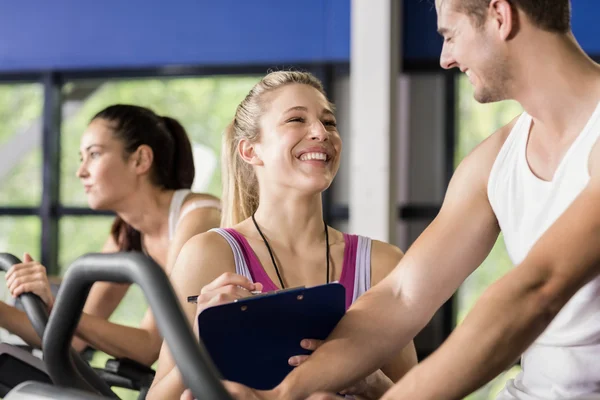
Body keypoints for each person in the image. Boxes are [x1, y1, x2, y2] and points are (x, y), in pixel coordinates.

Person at [224, 1, 600, 399]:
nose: (445, 59)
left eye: (450, 35)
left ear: (500, 17)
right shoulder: (494, 161)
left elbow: (535, 293)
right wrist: (280, 394)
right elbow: (401, 296)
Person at [144, 70, 418, 400]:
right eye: (296, 120)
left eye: (329, 122)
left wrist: (369, 381)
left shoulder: (381, 263)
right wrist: (203, 342)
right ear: (250, 151)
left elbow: (417, 394)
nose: (320, 132)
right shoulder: (209, 254)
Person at [0, 104, 221, 366]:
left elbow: (153, 345)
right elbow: (73, 338)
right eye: (82, 158)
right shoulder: (127, 233)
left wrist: (56, 306)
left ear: (140, 160)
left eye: (94, 155)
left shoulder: (198, 218)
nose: (81, 172)